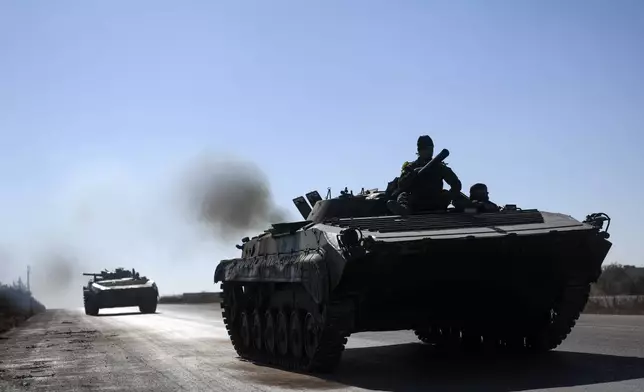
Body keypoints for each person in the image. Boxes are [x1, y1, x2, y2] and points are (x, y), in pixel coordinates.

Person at [386, 135, 462, 215]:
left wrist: (449, 197)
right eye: (426, 149)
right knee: (403, 196)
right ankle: (404, 209)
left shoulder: (439, 167)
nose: (429, 151)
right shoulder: (411, 167)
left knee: (446, 193)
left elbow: (456, 184)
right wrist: (412, 175)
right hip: (417, 201)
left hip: (436, 200)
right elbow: (401, 185)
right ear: (419, 150)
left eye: (431, 148)